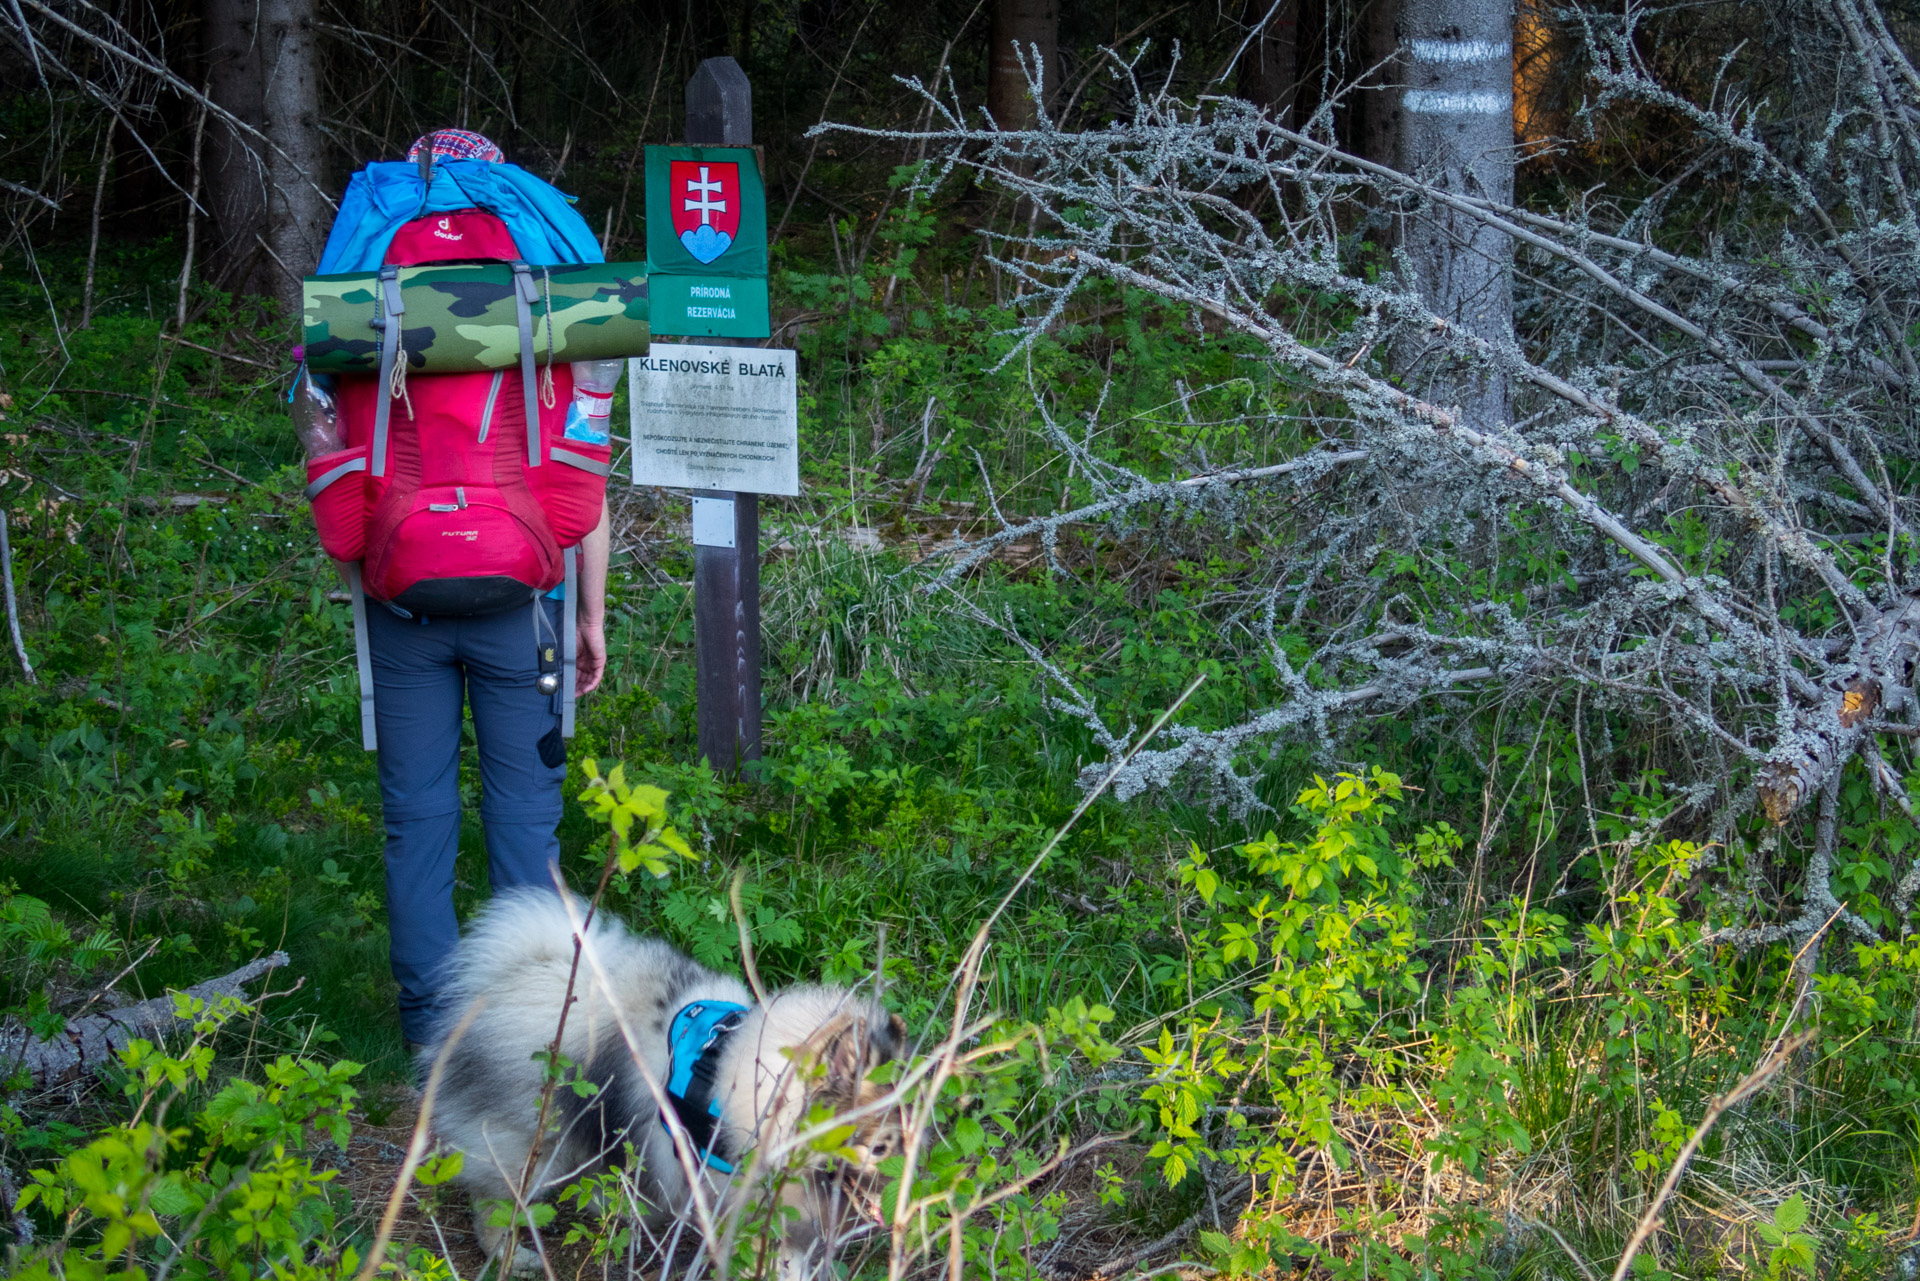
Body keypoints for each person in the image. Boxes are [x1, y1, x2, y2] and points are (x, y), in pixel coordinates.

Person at [309, 128, 613, 1049]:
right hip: (525, 601)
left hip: (400, 599)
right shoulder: (544, 291)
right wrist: (591, 613)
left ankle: (431, 1038)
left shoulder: (368, 289)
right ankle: (533, 1040)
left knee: (419, 822)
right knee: (525, 821)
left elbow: (329, 453)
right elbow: (584, 472)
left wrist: (389, 555)